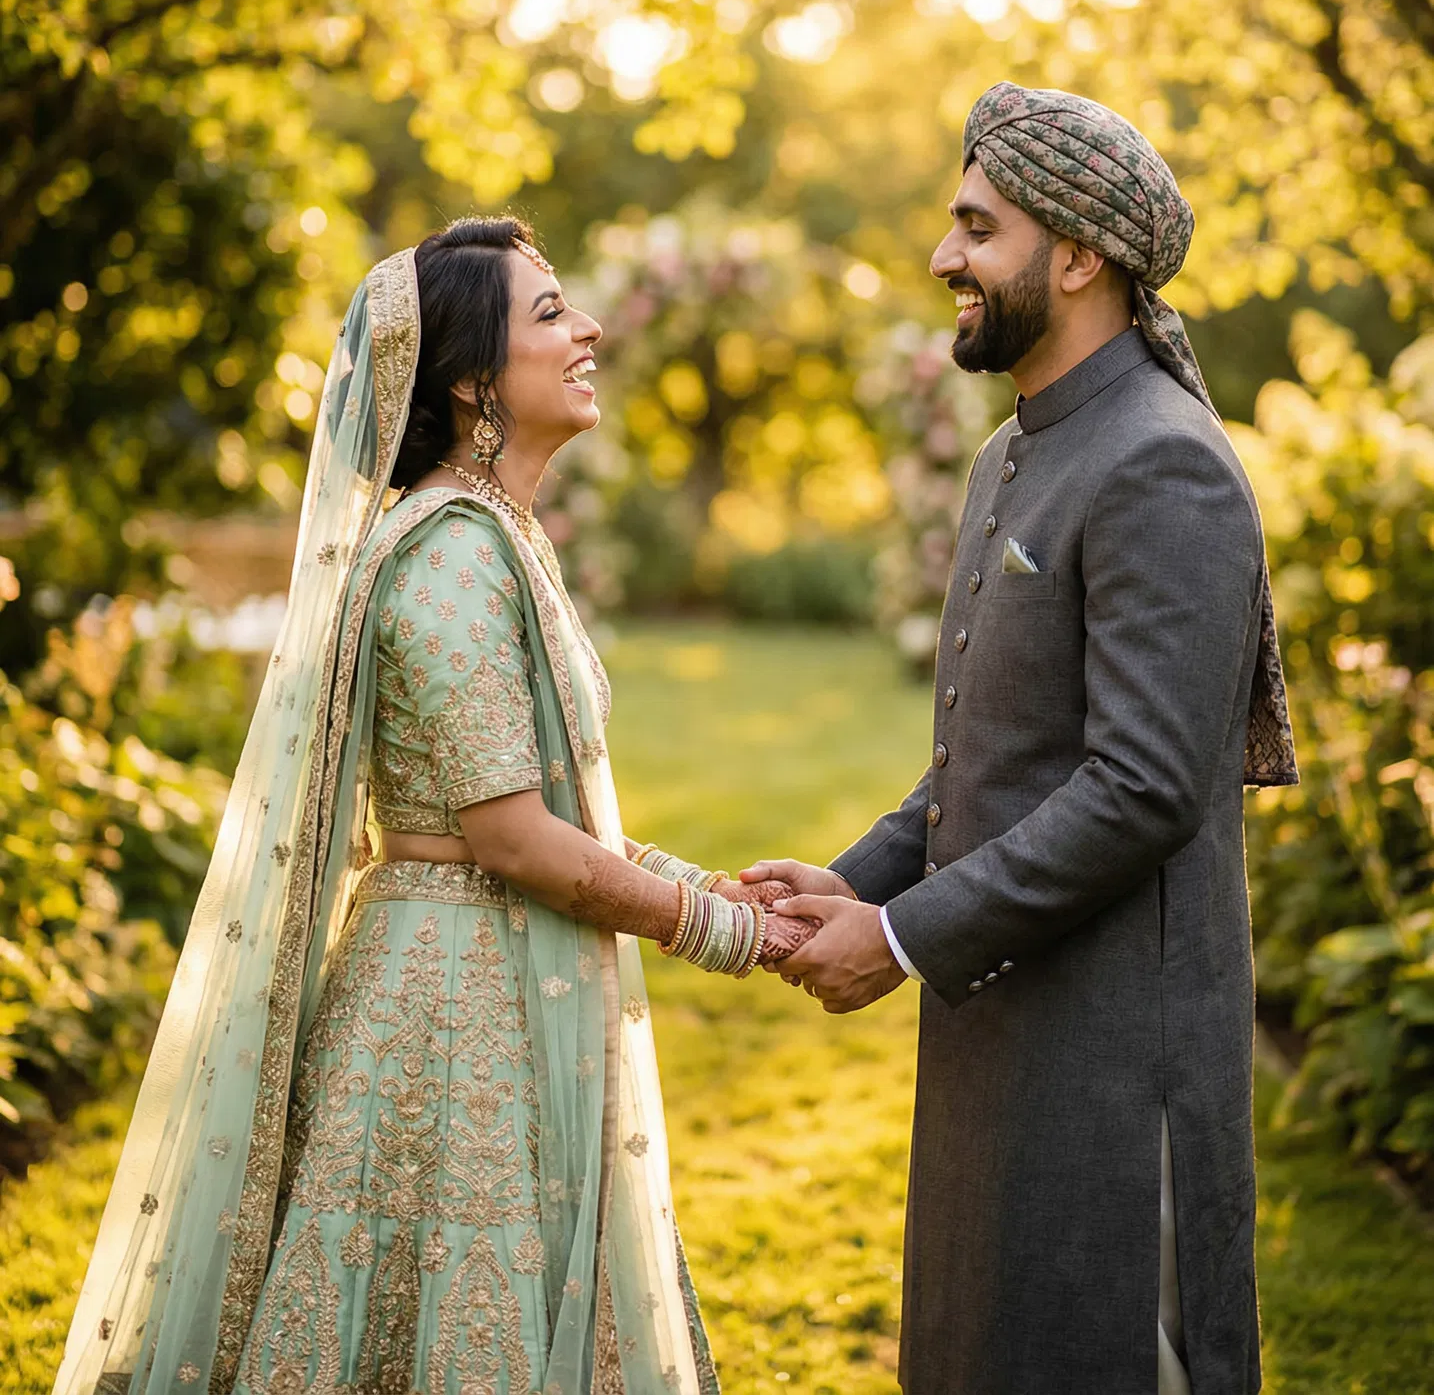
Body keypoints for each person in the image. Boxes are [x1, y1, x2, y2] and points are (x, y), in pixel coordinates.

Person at [57, 216, 810, 1395]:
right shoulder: (451, 556)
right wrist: (721, 932)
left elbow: (527, 807)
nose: (590, 330)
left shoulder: (495, 537)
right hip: (450, 1012)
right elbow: (508, 840)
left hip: (486, 965)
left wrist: (708, 882)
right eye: (551, 314)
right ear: (469, 383)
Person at [743, 82, 1299, 1395]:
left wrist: (897, 939)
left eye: (974, 229)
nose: (944, 258)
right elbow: (989, 748)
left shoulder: (1166, 465)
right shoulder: (1009, 457)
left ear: (1078, 253)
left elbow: (1142, 790)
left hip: (1114, 1062)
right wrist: (865, 878)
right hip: (1002, 1022)